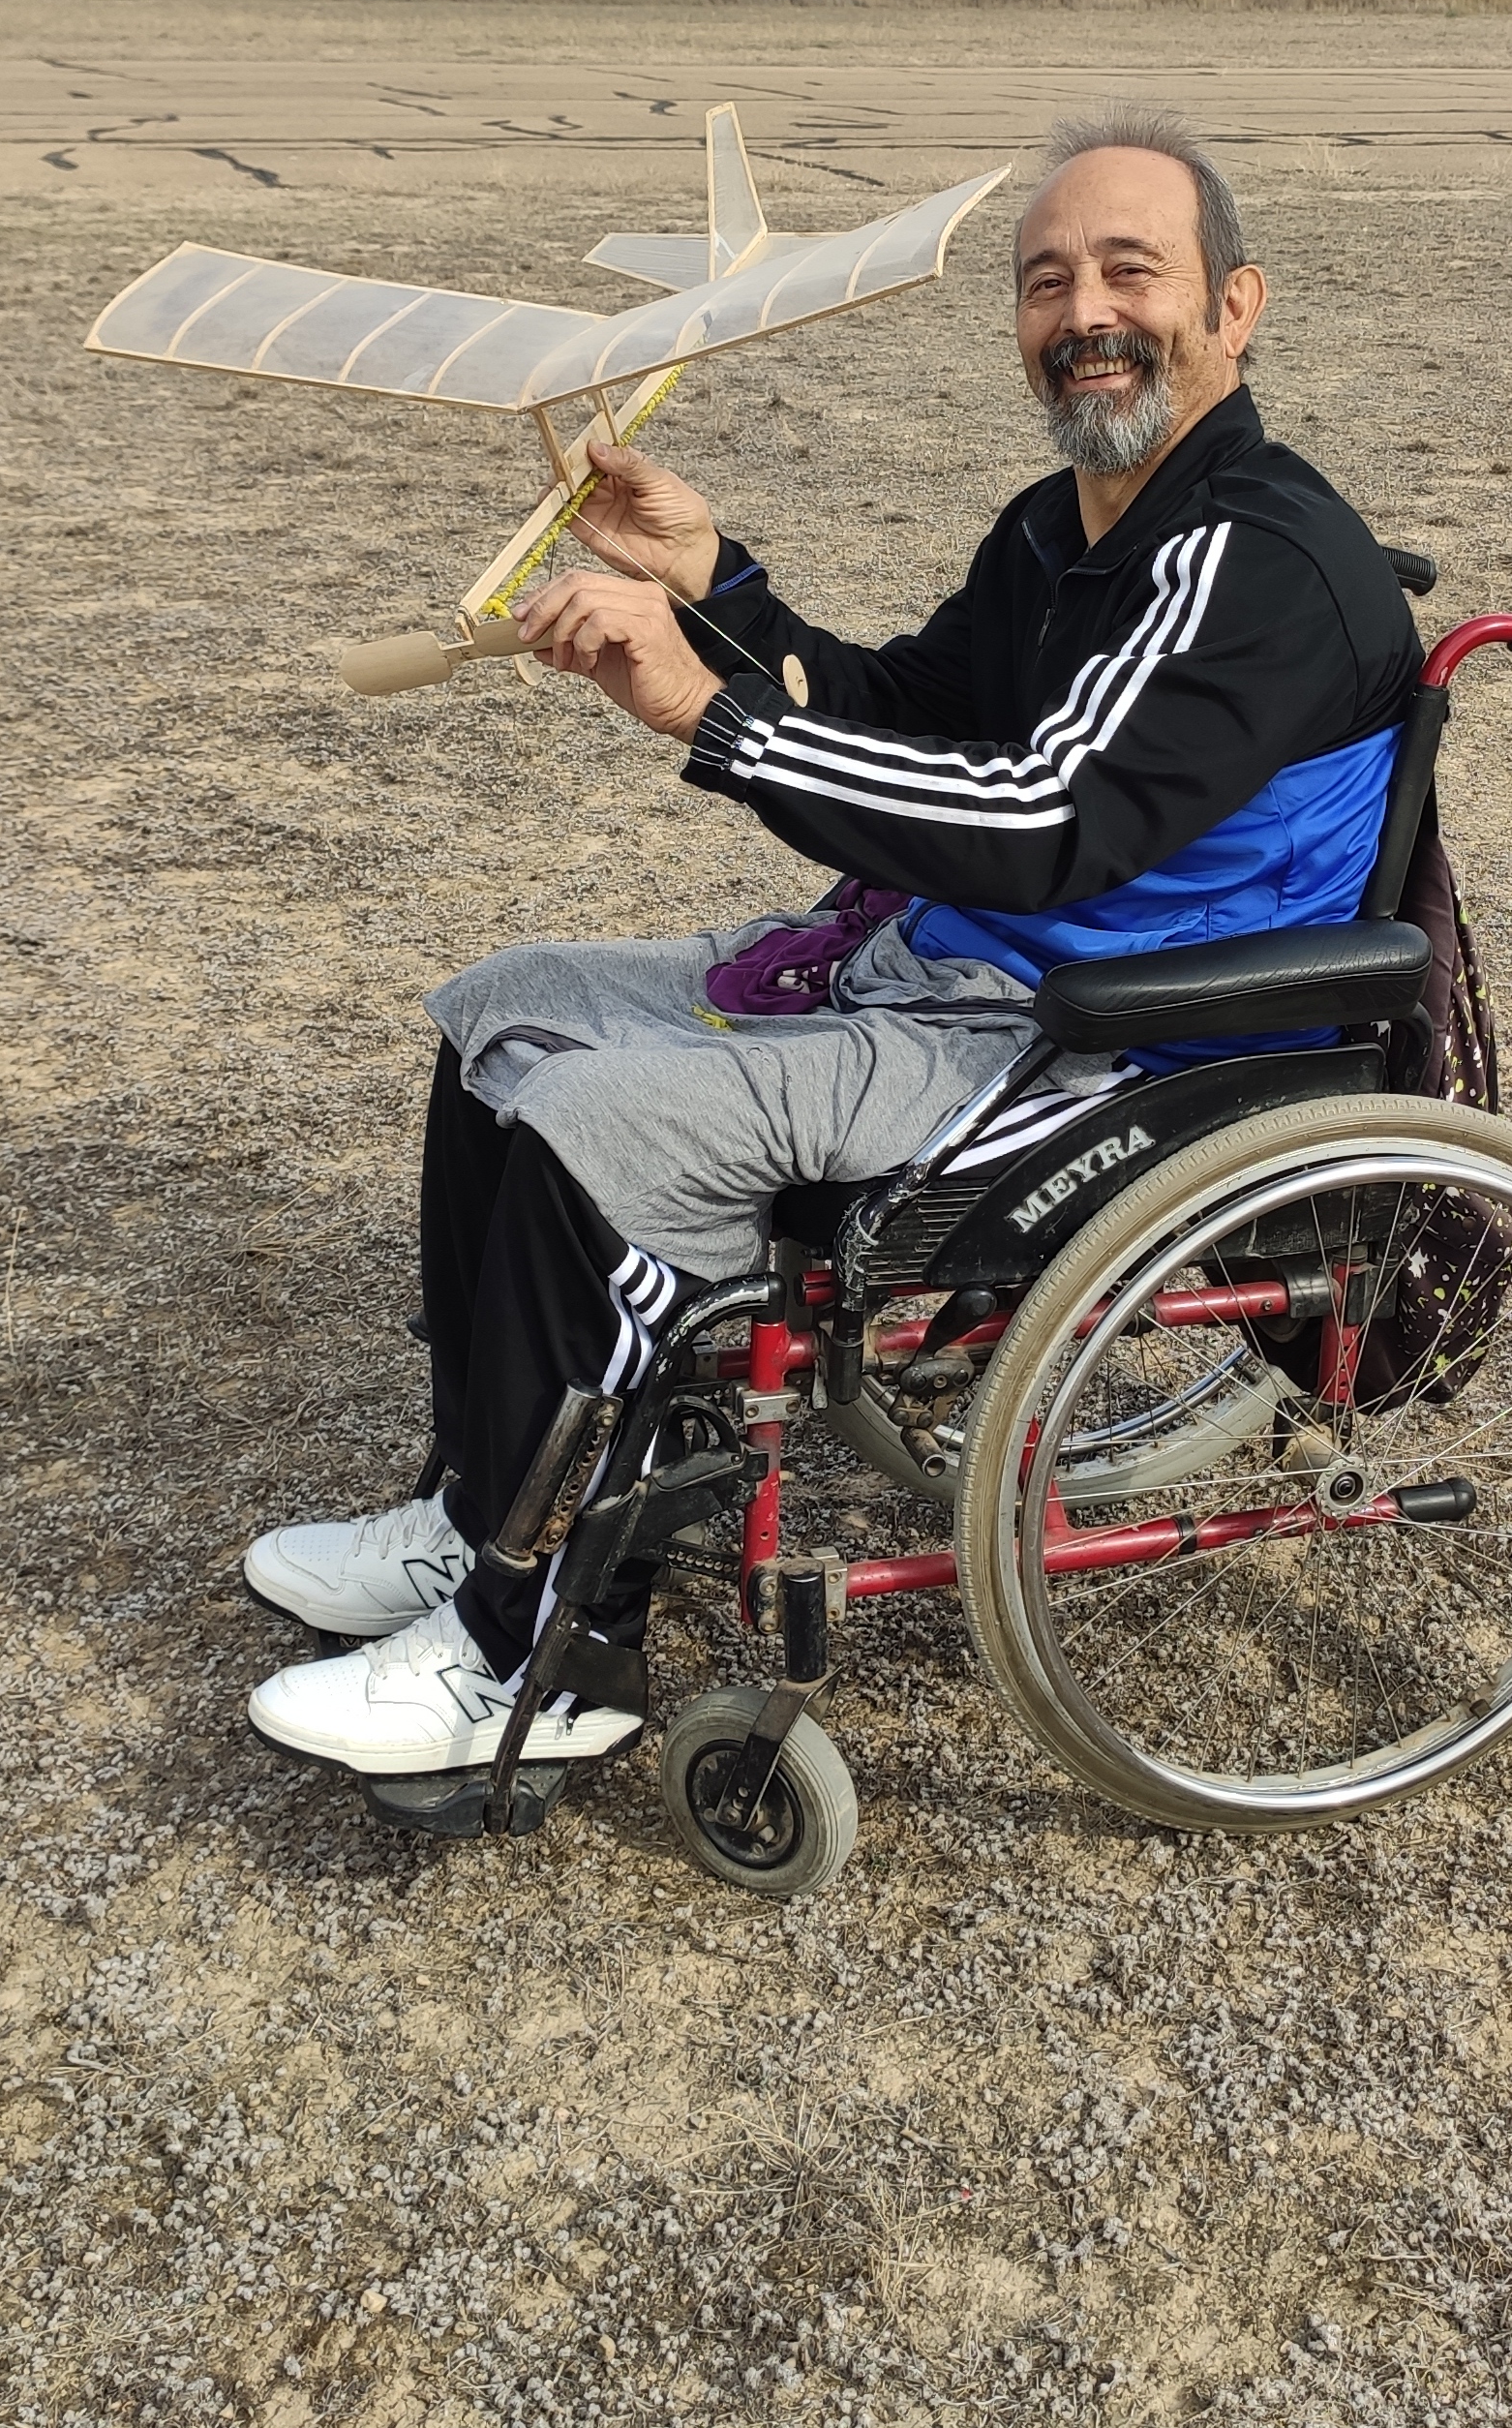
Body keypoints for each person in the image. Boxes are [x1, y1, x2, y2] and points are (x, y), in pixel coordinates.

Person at [243, 105, 1420, 1777]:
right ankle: (476, 1512)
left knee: (601, 1125)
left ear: (1235, 305)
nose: (1084, 311)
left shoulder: (1259, 561)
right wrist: (714, 579)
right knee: (504, 1018)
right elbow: (905, 709)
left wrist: (709, 716)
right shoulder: (1062, 527)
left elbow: (1045, 819)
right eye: (1045, 280)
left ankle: (543, 1652)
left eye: (1130, 270)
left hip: (1112, 1031)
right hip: (961, 963)